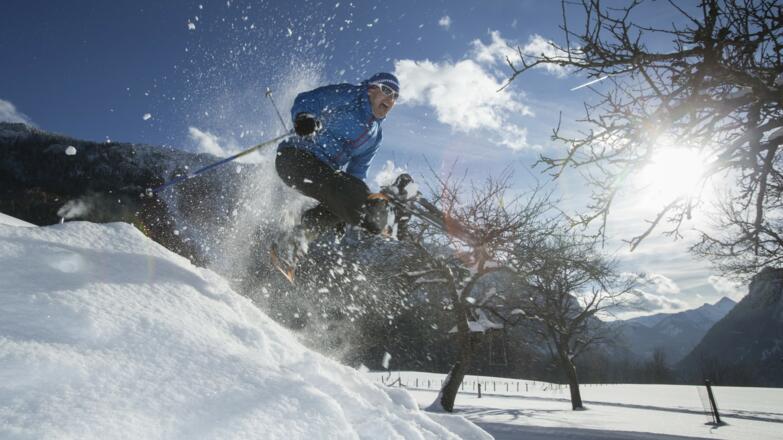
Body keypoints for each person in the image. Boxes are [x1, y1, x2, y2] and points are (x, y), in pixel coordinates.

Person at [271, 72, 400, 281]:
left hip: (325, 172)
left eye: (395, 96)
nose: (390, 98)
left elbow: (357, 172)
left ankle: (291, 243)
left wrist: (343, 210)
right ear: (371, 89)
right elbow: (309, 99)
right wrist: (305, 117)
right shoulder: (350, 95)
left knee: (360, 200)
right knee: (358, 200)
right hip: (295, 158)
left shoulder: (375, 136)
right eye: (386, 90)